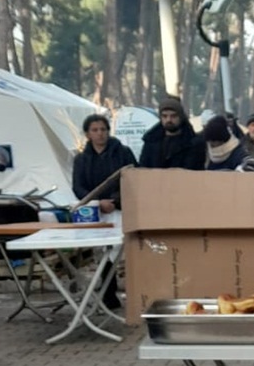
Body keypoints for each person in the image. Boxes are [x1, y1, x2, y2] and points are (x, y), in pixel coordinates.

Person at [72, 114, 137, 309]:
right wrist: (98, 202)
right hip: (95, 211)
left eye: (103, 129)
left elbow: (133, 180)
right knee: (102, 254)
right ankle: (108, 294)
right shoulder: (82, 160)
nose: (100, 134)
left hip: (120, 209)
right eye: (95, 130)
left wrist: (115, 201)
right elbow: (79, 186)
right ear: (88, 134)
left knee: (119, 251)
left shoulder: (123, 153)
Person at [139, 97, 204, 170]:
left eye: (173, 116)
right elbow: (143, 169)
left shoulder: (193, 144)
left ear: (180, 117)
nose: (169, 120)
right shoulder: (151, 141)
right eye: (164, 116)